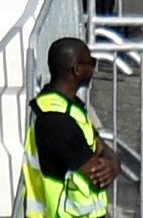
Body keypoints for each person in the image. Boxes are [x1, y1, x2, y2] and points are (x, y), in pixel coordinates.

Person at [24, 39, 117, 218]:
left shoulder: (67, 105)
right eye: (91, 62)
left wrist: (114, 163)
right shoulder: (56, 121)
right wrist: (113, 165)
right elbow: (98, 176)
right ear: (77, 69)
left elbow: (100, 146)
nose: (94, 68)